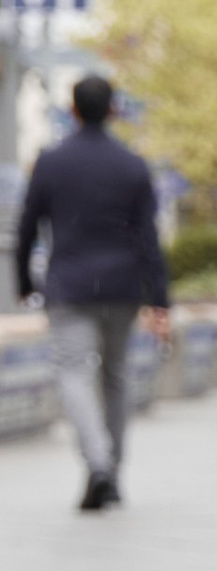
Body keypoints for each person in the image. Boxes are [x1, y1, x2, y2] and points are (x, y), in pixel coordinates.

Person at [13, 71, 171, 510]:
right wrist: (159, 298)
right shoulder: (133, 165)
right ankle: (113, 471)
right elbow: (148, 237)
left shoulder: (52, 161)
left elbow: (28, 226)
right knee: (116, 376)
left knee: (72, 372)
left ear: (74, 110)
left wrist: (26, 282)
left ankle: (97, 462)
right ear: (115, 110)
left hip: (69, 285)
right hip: (123, 286)